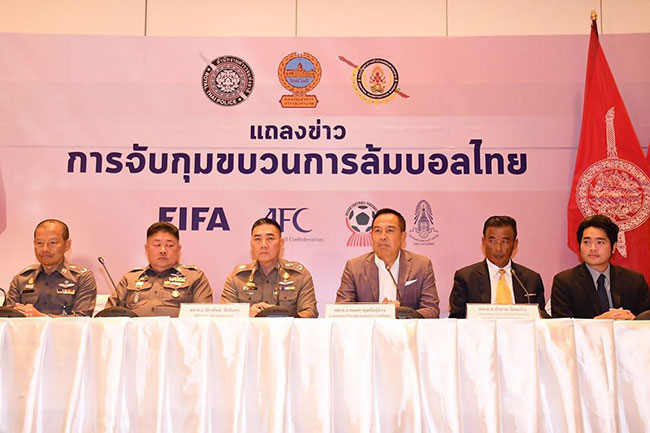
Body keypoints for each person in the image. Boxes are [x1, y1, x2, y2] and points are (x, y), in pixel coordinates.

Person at [335, 208, 440, 318]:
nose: (383, 237)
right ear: (371, 236)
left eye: (390, 230)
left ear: (403, 237)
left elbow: (431, 310)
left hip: (406, 328)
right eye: (377, 231)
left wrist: (400, 313)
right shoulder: (354, 267)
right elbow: (341, 308)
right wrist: (380, 312)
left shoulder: (422, 266)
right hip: (368, 328)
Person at [551, 215, 650, 319]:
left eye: (600, 242)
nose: (593, 248)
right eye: (586, 242)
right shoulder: (564, 282)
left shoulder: (635, 281)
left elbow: (646, 318)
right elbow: (562, 325)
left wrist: (634, 321)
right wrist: (599, 321)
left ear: (613, 247)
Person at [105, 221, 213, 317]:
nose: (163, 250)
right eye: (157, 245)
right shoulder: (129, 279)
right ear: (147, 248)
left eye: (169, 245)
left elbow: (204, 319)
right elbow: (107, 317)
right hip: (136, 333)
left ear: (178, 249)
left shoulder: (195, 277)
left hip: (177, 333)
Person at [448, 216, 546, 318]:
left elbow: (543, 319)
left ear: (515, 244)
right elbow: (457, 319)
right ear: (483, 242)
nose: (498, 248)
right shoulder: (466, 278)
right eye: (492, 241)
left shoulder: (531, 280)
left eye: (505, 242)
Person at [220, 218, 318, 318]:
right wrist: (246, 315)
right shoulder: (237, 278)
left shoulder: (299, 276)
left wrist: (282, 315)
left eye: (270, 238)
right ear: (251, 243)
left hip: (286, 328)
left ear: (281, 242)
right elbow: (223, 316)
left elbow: (310, 314)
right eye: (257, 239)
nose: (263, 245)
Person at [6, 219, 96, 316]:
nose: (45, 249)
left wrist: (41, 318)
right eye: (39, 243)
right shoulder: (21, 279)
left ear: (67, 245)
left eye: (53, 243)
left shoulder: (82, 278)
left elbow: (82, 319)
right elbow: (6, 317)